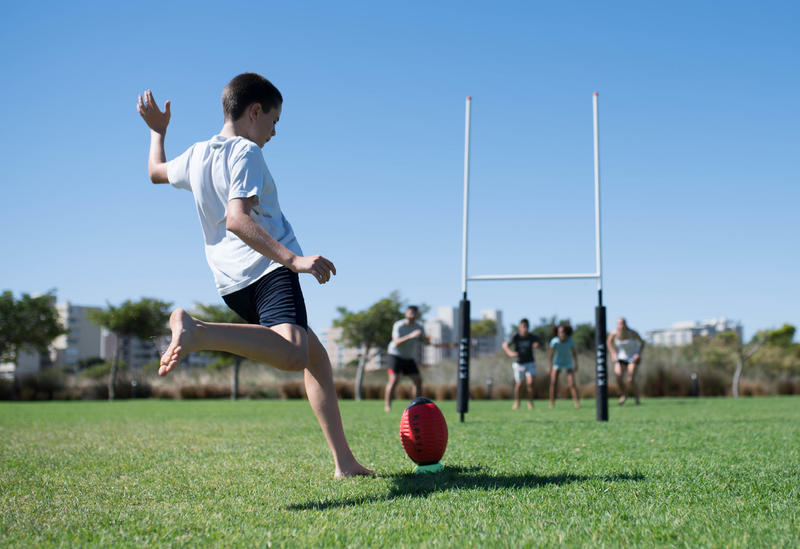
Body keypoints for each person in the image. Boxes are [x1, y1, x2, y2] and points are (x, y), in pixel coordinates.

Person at [136, 73, 371, 478]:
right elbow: (237, 220)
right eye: (274, 122)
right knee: (296, 352)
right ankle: (200, 332)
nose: (274, 133)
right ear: (255, 111)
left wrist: (158, 133)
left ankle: (344, 463)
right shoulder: (245, 151)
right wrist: (293, 261)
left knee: (316, 358)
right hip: (265, 268)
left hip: (230, 282)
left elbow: (156, 171)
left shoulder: (195, 154)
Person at [384, 305, 426, 412]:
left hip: (408, 357)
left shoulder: (419, 326)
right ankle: (387, 406)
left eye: (414, 312)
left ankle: (416, 406)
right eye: (410, 312)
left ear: (417, 315)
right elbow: (396, 342)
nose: (412, 314)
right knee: (394, 380)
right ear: (406, 314)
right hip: (395, 355)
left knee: (418, 380)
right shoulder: (399, 325)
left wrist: (427, 339)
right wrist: (411, 336)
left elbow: (424, 341)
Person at [502, 318, 542, 410]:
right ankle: (517, 402)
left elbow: (543, 348)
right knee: (519, 384)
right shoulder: (515, 336)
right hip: (519, 363)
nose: (525, 328)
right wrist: (510, 353)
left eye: (526, 326)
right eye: (523, 326)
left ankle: (530, 403)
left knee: (530, 382)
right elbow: (505, 345)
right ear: (519, 327)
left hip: (530, 362)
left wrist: (538, 346)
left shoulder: (532, 337)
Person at [607, 317, 646, 405]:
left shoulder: (633, 333)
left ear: (626, 323)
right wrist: (613, 353)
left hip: (633, 357)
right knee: (618, 377)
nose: (621, 325)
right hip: (621, 357)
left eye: (623, 323)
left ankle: (637, 398)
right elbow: (609, 342)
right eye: (619, 323)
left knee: (630, 379)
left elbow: (642, 343)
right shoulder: (614, 333)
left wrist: (638, 354)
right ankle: (624, 395)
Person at [548, 324, 580, 409]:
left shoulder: (570, 341)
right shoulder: (554, 341)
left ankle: (576, 403)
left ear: (566, 333)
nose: (561, 334)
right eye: (559, 332)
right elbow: (551, 355)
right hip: (557, 363)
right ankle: (551, 403)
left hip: (568, 363)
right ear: (557, 333)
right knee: (553, 382)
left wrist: (576, 364)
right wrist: (550, 366)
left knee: (572, 383)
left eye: (563, 332)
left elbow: (574, 353)